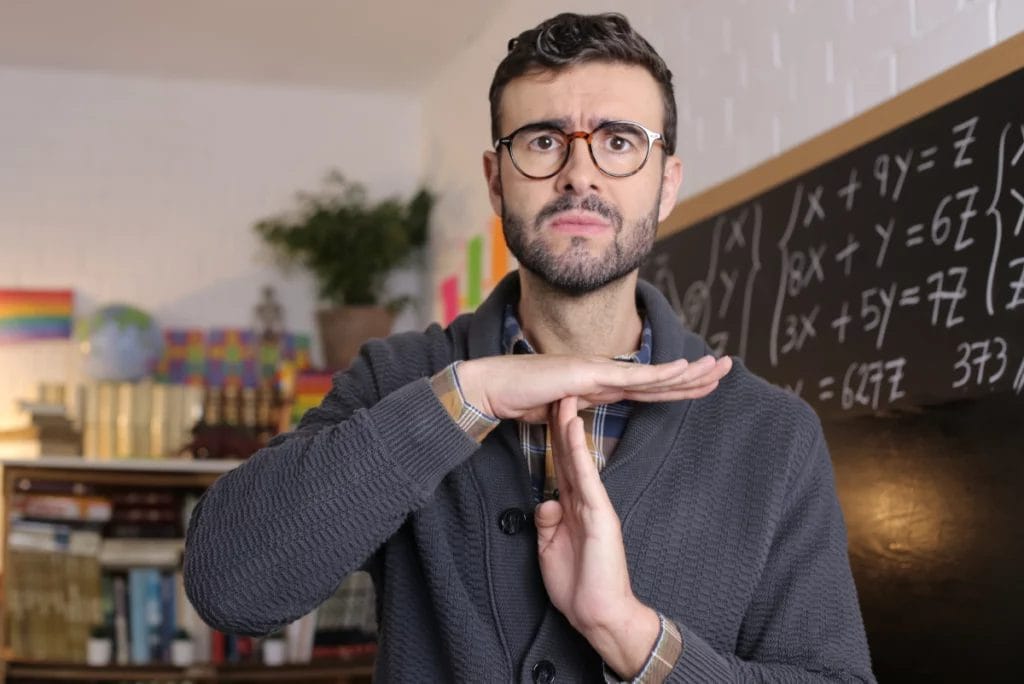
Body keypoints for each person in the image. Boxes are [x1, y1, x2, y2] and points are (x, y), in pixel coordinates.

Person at [184, 12, 874, 683]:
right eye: (543, 142)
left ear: (666, 184)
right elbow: (229, 587)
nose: (579, 173)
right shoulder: (399, 379)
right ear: (495, 179)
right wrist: (468, 397)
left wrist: (628, 634)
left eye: (619, 141)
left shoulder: (771, 436)